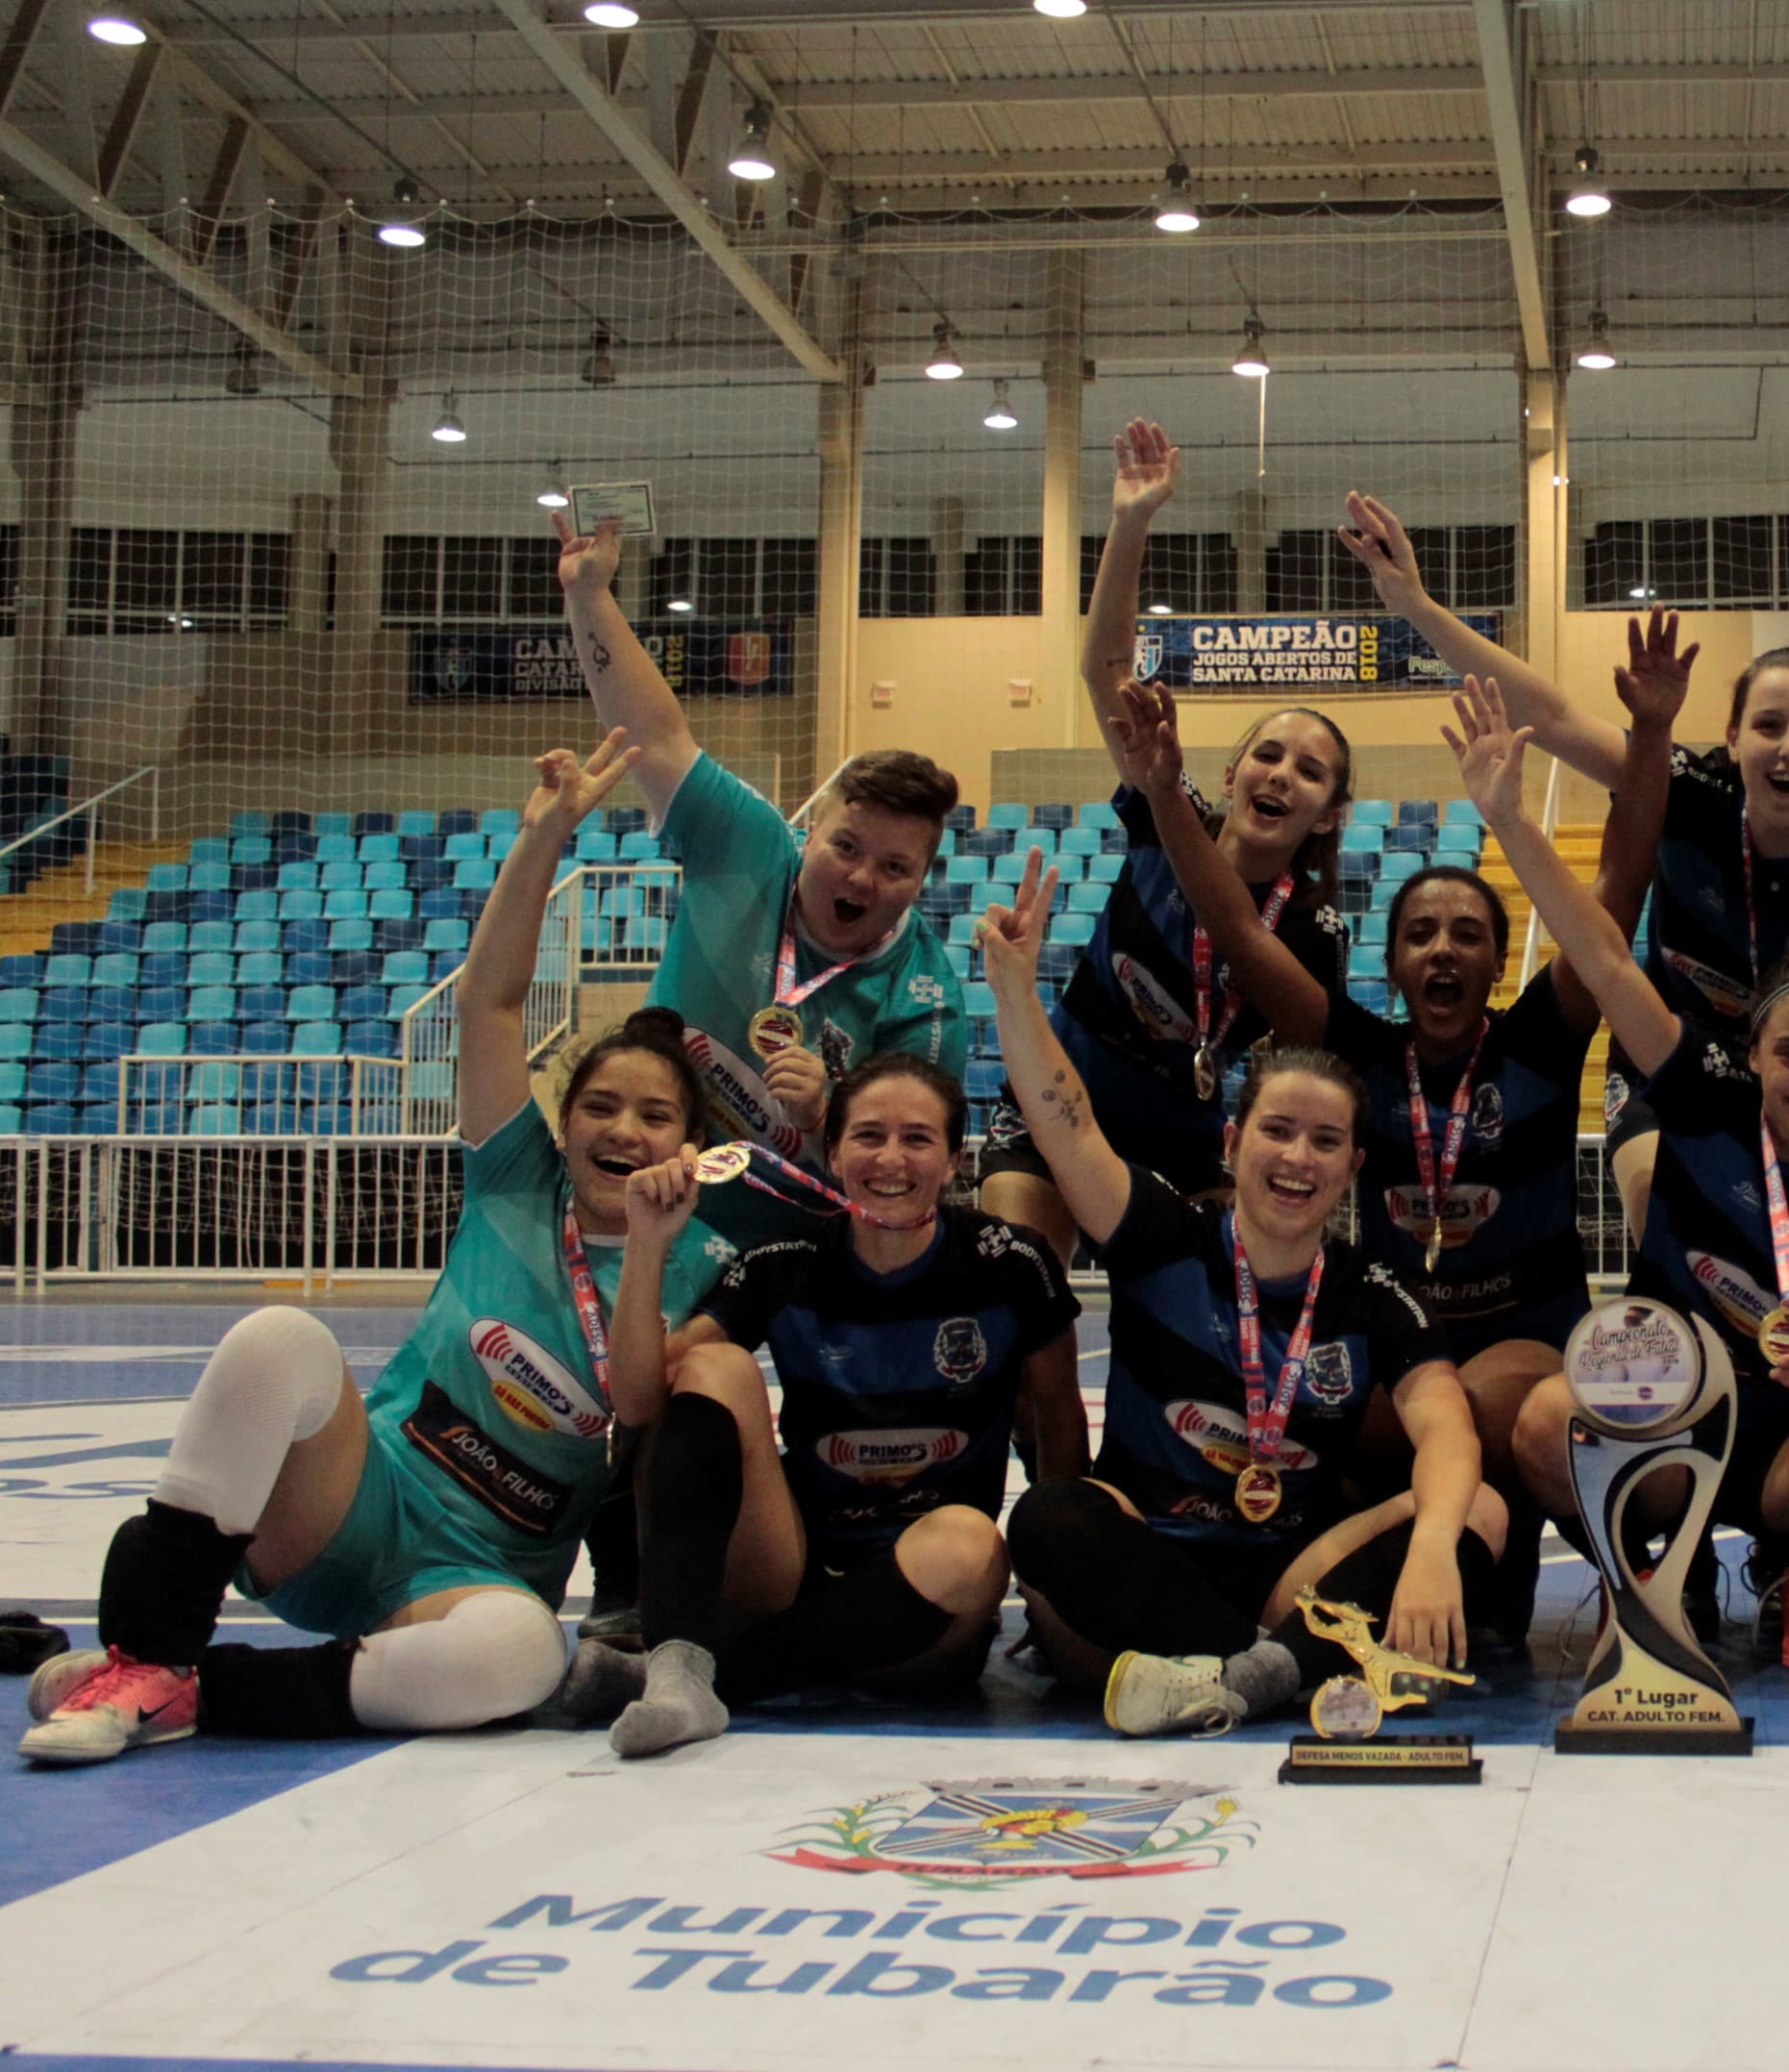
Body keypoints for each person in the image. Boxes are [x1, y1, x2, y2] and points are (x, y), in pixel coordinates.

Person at [21, 736, 731, 1762]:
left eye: (655, 1115)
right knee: (278, 1338)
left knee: (520, 1657)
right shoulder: (512, 1175)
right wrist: (541, 840)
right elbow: (488, 1003)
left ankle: (184, 1687)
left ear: (688, 1145)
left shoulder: (699, 1255)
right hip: (358, 1504)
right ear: (563, 1121)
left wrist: (655, 1244)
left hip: (478, 1572)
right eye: (601, 1105)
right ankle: (147, 1649)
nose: (624, 1129)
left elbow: (632, 1406)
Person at [1099, 617, 1685, 1635]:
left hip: (1512, 1344)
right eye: (1420, 933)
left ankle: (1631, 1592)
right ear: (1395, 963)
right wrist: (1160, 790)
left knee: (1484, 1400)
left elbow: (1619, 892)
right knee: (1327, 1405)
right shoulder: (1356, 1054)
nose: (1443, 948)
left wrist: (1648, 734)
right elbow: (1236, 929)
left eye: (1468, 933)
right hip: (1378, 1353)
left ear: (1499, 965)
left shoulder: (1540, 1041)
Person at [1463, 677, 1789, 1671]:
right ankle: (1638, 1567)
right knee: (1549, 1421)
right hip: (1666, 1424)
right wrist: (1508, 818)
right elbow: (1600, 955)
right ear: (1755, 1050)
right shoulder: (1699, 1090)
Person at [975, 852, 1508, 1738]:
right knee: (1050, 1516)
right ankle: (1275, 1668)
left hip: (1291, 1566)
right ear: (1232, 1141)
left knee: (1470, 1507)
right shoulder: (1159, 1233)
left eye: (1326, 1141)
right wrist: (1014, 994)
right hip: (1153, 1555)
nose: (1298, 1158)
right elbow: (1063, 1120)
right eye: (1279, 1131)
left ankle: (1223, 1677)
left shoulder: (1376, 1288)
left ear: (1352, 1168)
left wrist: (1425, 1552)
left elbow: (1446, 1430)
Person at [1334, 490, 1789, 1237]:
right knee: (1658, 1221)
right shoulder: (1686, 794)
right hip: (1661, 1067)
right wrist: (1416, 607)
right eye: (1768, 725)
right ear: (1732, 738)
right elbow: (1558, 716)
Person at [559, 1055, 1082, 1757]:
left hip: (930, 1604)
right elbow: (638, 1399)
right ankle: (681, 1667)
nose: (890, 1158)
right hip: (792, 1568)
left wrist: (1056, 1604)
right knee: (714, 1364)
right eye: (867, 1135)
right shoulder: (785, 1259)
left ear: (956, 1159)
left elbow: (1056, 1418)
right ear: (832, 1152)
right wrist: (648, 1242)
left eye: (917, 1138)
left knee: (968, 1542)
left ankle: (695, 1677)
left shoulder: (1010, 1261)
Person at [979, 417, 1354, 1254]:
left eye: (1309, 770)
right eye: (1266, 753)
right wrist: (1131, 521)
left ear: (1328, 813)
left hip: (1181, 1130)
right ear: (1230, 774)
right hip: (1060, 1088)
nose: (1281, 773)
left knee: (1226, 1290)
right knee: (1017, 1272)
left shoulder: (1314, 923)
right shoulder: (1160, 799)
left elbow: (1306, 1026)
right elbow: (1103, 667)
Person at [554, 512, 963, 1189]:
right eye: (845, 846)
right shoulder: (747, 842)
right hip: (648, 1197)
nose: (861, 877)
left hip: (796, 1242)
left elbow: (909, 1171)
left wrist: (823, 1111)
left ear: (923, 880)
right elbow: (654, 736)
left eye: (895, 867)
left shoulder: (926, 998)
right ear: (810, 834)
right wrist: (590, 595)